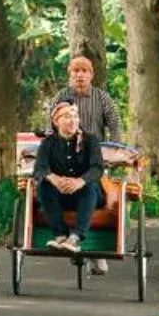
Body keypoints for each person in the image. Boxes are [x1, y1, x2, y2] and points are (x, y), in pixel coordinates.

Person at [54, 53, 128, 273]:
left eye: (84, 71)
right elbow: (51, 126)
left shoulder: (101, 98)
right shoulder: (61, 97)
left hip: (95, 158)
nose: (80, 75)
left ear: (91, 75)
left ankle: (97, 252)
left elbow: (114, 123)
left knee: (97, 194)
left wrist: (115, 149)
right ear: (70, 74)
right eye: (75, 71)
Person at [31, 96, 104, 252]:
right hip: (60, 195)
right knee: (44, 186)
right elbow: (39, 169)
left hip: (87, 195)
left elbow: (97, 168)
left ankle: (75, 237)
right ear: (56, 121)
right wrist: (55, 179)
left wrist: (80, 181)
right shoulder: (48, 143)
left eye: (75, 116)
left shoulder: (90, 140)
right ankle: (60, 235)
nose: (73, 121)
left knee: (90, 186)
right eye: (67, 117)